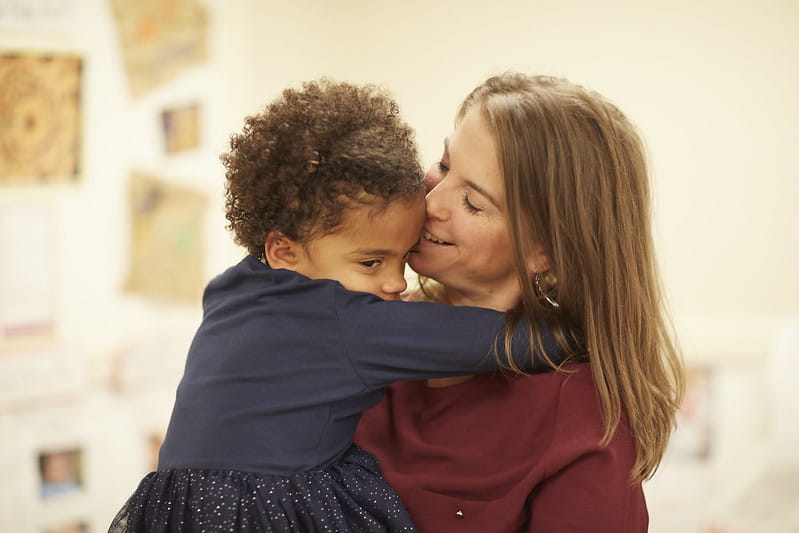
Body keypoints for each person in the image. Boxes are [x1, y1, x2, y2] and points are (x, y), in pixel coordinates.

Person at [108, 79, 568, 533]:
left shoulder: (233, 288)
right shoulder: (343, 320)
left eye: (403, 256)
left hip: (175, 504)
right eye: (371, 262)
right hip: (265, 508)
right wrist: (582, 332)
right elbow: (502, 341)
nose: (396, 282)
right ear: (283, 250)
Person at [355, 72, 685, 532]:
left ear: (544, 251)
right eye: (444, 166)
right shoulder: (359, 328)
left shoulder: (582, 416)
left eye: (473, 202)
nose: (431, 201)